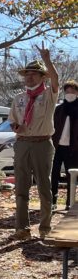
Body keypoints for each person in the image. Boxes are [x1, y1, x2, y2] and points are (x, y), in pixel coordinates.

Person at [9, 44, 59, 240]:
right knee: (21, 187)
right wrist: (15, 127)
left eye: (34, 74)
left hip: (42, 143)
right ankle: (22, 228)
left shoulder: (48, 95)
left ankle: (45, 227)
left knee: (44, 187)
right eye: (27, 74)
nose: (29, 77)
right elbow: (12, 119)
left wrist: (47, 60)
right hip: (22, 143)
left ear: (42, 77)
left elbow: (56, 79)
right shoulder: (18, 98)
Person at [51, 80, 78, 211]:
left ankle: (69, 202)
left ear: (77, 93)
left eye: (72, 91)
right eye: (67, 91)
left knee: (71, 176)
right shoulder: (59, 109)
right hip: (56, 147)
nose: (69, 94)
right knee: (54, 174)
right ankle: (53, 201)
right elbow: (52, 127)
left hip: (73, 148)